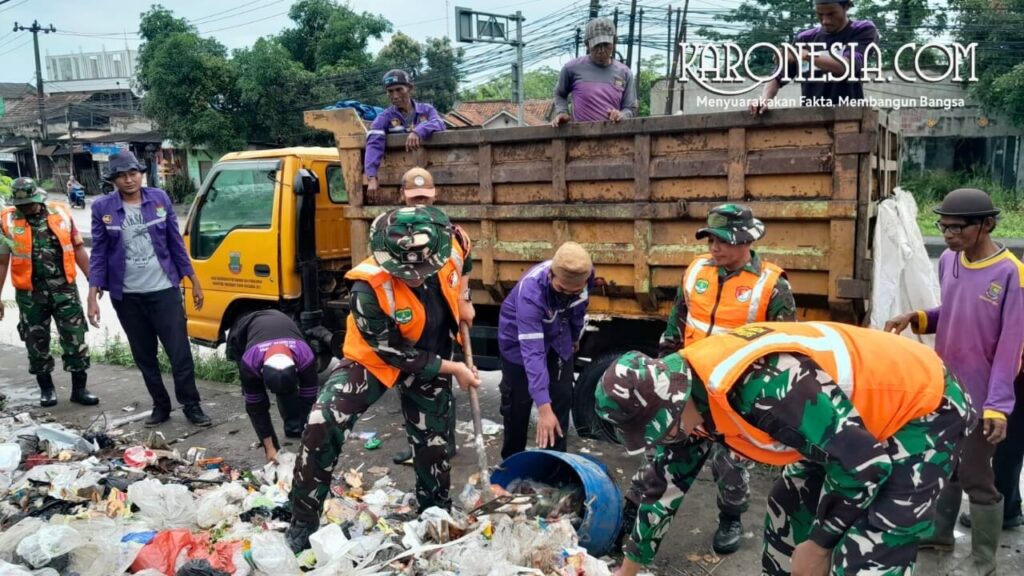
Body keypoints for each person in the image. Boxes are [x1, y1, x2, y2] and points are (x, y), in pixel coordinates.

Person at [597, 321, 975, 576]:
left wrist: (821, 544)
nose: (666, 438)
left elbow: (866, 466)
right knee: (787, 510)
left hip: (920, 409)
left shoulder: (763, 388)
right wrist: (629, 569)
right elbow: (663, 488)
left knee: (867, 550)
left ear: (675, 397)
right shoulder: (681, 398)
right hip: (837, 431)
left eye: (665, 428)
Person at [286, 206, 481, 552]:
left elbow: (465, 251)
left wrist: (464, 297)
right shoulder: (367, 289)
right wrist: (456, 370)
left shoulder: (450, 243)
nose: (417, 277)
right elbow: (395, 353)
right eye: (408, 272)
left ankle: (433, 512)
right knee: (322, 420)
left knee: (433, 444)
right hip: (378, 358)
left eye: (423, 269)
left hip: (433, 347)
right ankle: (303, 517)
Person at [621, 203, 796, 556]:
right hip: (689, 390)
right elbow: (677, 323)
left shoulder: (772, 286)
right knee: (665, 454)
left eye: (723, 240)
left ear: (746, 240)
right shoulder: (696, 271)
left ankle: (731, 517)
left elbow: (785, 349)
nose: (713, 248)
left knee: (729, 464)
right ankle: (631, 514)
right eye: (710, 239)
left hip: (737, 397)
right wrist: (664, 368)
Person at [885, 187, 1024, 575]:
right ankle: (941, 533)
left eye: (957, 227)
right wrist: (920, 317)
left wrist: (998, 407)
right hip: (948, 388)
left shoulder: (1011, 273)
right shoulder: (949, 260)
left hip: (984, 396)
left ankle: (984, 560)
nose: (948, 234)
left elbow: (1010, 346)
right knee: (946, 466)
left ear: (987, 225)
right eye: (943, 226)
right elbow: (954, 309)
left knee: (979, 477)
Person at [87, 151, 212, 428]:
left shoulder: (159, 199)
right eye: (121, 175)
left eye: (133, 173)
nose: (128, 180)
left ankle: (191, 405)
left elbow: (176, 244)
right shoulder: (102, 209)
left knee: (179, 353)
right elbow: (98, 252)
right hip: (127, 296)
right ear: (113, 180)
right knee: (144, 355)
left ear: (141, 174)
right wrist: (92, 294)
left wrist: (193, 280)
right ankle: (161, 405)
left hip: (164, 290)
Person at [390, 167, 473, 466]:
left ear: (435, 194)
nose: (420, 203)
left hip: (441, 321)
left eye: (425, 197)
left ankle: (444, 443)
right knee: (410, 385)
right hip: (409, 322)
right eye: (414, 197)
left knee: (442, 386)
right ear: (403, 196)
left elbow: (466, 267)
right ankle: (417, 445)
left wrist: (465, 300)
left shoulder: (455, 235)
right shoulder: (392, 235)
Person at [0, 177, 98, 407]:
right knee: (36, 342)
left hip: (65, 290)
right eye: (21, 205)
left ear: (38, 197)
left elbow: (78, 248)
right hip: (30, 294)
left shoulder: (61, 213)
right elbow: (3, 262)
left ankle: (79, 390)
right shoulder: (7, 220)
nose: (26, 208)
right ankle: (47, 390)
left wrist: (93, 280)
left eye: (30, 203)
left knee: (75, 338)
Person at [497, 241, 594, 458]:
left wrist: (575, 335)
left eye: (573, 291)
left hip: (558, 334)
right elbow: (533, 353)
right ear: (551, 275)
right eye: (560, 289)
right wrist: (542, 407)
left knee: (560, 398)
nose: (566, 295)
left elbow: (579, 307)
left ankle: (554, 463)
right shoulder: (531, 292)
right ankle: (512, 463)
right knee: (517, 406)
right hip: (518, 343)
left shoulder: (586, 273)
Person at [749, 0, 879, 114]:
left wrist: (805, 55)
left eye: (831, 14)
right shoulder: (804, 39)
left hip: (851, 117)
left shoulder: (862, 30)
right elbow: (777, 77)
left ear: (846, 7)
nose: (825, 20)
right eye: (820, 14)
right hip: (813, 120)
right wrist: (764, 99)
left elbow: (846, 66)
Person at [227, 309, 319, 462]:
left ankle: (294, 427)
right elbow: (256, 409)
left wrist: (308, 442)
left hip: (282, 320)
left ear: (296, 369)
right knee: (256, 399)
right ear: (261, 371)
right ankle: (273, 447)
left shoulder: (306, 357)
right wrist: (269, 448)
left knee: (289, 395)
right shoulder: (250, 362)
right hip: (244, 328)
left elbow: (308, 401)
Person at [365, 70, 446, 195]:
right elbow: (374, 143)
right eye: (390, 91)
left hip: (432, 176)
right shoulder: (385, 117)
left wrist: (418, 131)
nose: (395, 96)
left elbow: (439, 123)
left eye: (399, 89)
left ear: (410, 89)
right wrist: (371, 178)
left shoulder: (426, 109)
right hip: (399, 180)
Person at [552, 17, 638, 125]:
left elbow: (630, 109)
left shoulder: (625, 73)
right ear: (587, 45)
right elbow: (559, 94)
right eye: (597, 45)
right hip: (580, 137)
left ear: (614, 43)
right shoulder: (571, 68)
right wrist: (562, 112)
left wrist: (621, 115)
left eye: (606, 44)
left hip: (614, 137)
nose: (602, 50)